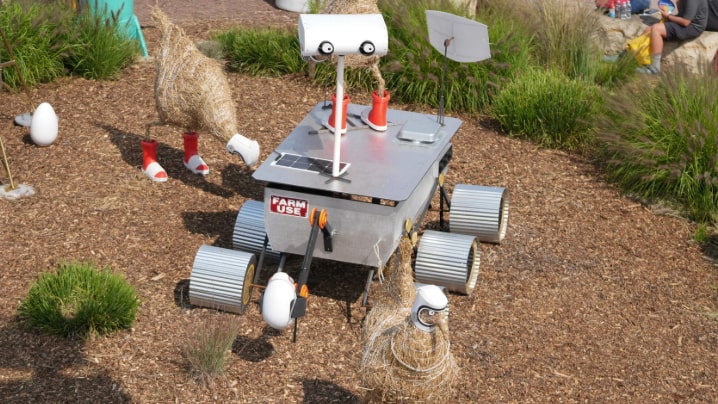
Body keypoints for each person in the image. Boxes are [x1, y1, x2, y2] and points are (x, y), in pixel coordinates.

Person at [637, 0, 709, 74]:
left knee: (656, 29)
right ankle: (636, 55)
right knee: (649, 29)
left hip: (693, 27)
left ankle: (654, 68)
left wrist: (668, 16)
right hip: (686, 23)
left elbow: (685, 22)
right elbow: (682, 14)